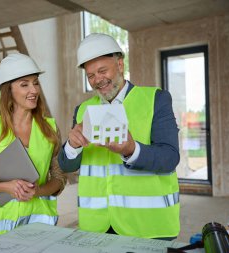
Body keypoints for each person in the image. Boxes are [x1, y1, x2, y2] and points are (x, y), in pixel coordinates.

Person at [58, 33, 180, 240]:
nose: (98, 80)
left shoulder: (155, 99)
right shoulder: (82, 110)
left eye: (102, 70)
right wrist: (72, 145)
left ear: (120, 64)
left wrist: (131, 150)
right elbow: (67, 165)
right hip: (96, 227)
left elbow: (169, 158)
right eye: (91, 75)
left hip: (148, 227)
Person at [0, 53, 66, 242]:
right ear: (8, 90)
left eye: (35, 82)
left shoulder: (50, 128)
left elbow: (59, 178)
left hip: (40, 230)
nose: (34, 90)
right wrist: (5, 187)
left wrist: (38, 191)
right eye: (24, 84)